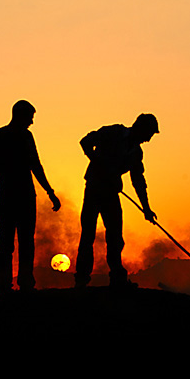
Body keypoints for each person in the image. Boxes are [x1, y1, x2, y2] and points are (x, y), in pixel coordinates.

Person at [0, 100, 61, 294]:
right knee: (20, 242)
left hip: (13, 197)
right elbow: (35, 165)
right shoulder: (17, 136)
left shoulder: (3, 135)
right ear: (20, 115)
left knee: (10, 242)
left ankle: (8, 284)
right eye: (30, 117)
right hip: (20, 196)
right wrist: (50, 192)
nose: (31, 122)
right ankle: (20, 283)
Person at [74, 113, 159, 289]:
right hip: (94, 188)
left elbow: (138, 181)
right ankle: (81, 279)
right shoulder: (113, 132)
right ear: (141, 128)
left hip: (111, 192)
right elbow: (85, 142)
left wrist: (146, 208)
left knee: (115, 236)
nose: (149, 139)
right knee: (88, 234)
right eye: (149, 133)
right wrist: (99, 164)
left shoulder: (136, 153)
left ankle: (117, 279)